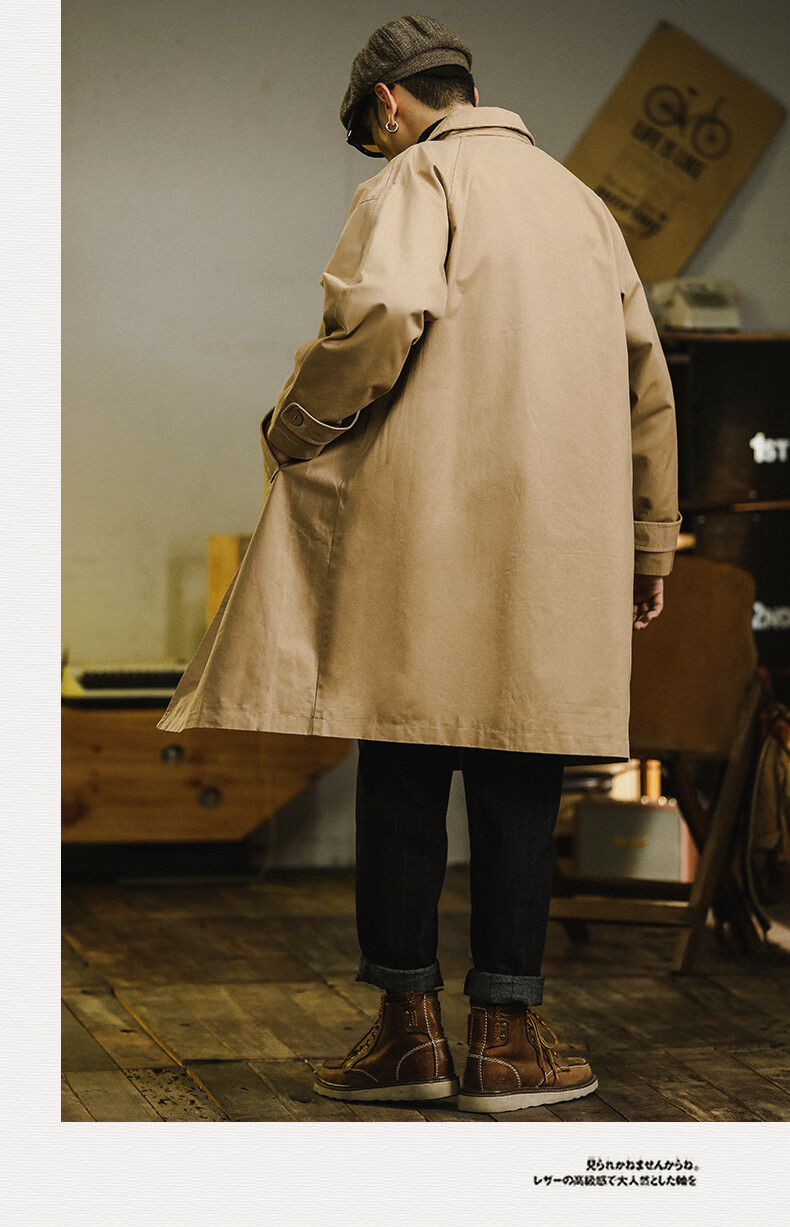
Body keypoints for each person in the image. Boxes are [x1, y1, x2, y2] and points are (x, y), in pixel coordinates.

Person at [157, 15, 681, 1112]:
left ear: (388, 103)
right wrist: (646, 540)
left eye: (371, 130)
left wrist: (294, 427)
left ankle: (408, 1039)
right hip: (550, 553)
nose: (377, 145)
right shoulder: (584, 207)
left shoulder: (418, 181)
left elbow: (384, 314)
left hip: (420, 543)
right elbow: (647, 386)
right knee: (521, 770)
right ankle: (506, 1044)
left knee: (401, 768)